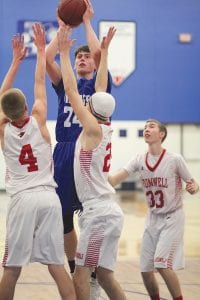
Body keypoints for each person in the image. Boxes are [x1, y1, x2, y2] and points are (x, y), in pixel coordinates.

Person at [0, 23, 76, 300]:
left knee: (11, 268)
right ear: (25, 108)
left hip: (22, 199)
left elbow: (2, 98)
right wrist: (42, 50)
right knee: (56, 266)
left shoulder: (3, 129)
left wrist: (14, 63)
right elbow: (39, 84)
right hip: (48, 197)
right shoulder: (39, 118)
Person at [57, 24, 126, 300]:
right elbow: (99, 87)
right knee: (106, 276)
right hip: (111, 211)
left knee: (81, 277)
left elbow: (72, 91)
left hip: (98, 215)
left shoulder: (91, 130)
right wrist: (104, 53)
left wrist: (63, 53)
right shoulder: (103, 125)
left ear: (91, 110)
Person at [45, 0, 112, 283]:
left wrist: (86, 22)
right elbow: (47, 60)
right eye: (78, 57)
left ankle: (92, 264)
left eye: (86, 58)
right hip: (64, 151)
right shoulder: (65, 84)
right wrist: (62, 28)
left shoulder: (99, 88)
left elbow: (100, 53)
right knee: (63, 217)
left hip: (88, 153)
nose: (83, 59)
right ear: (72, 62)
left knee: (92, 215)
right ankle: (75, 266)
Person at [108, 119, 199, 300]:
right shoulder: (139, 160)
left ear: (161, 134)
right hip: (152, 218)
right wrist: (96, 172)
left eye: (151, 126)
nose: (146, 129)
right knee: (146, 270)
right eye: (145, 127)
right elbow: (114, 179)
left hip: (172, 217)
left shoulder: (175, 159)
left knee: (162, 264)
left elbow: (194, 183)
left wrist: (193, 188)